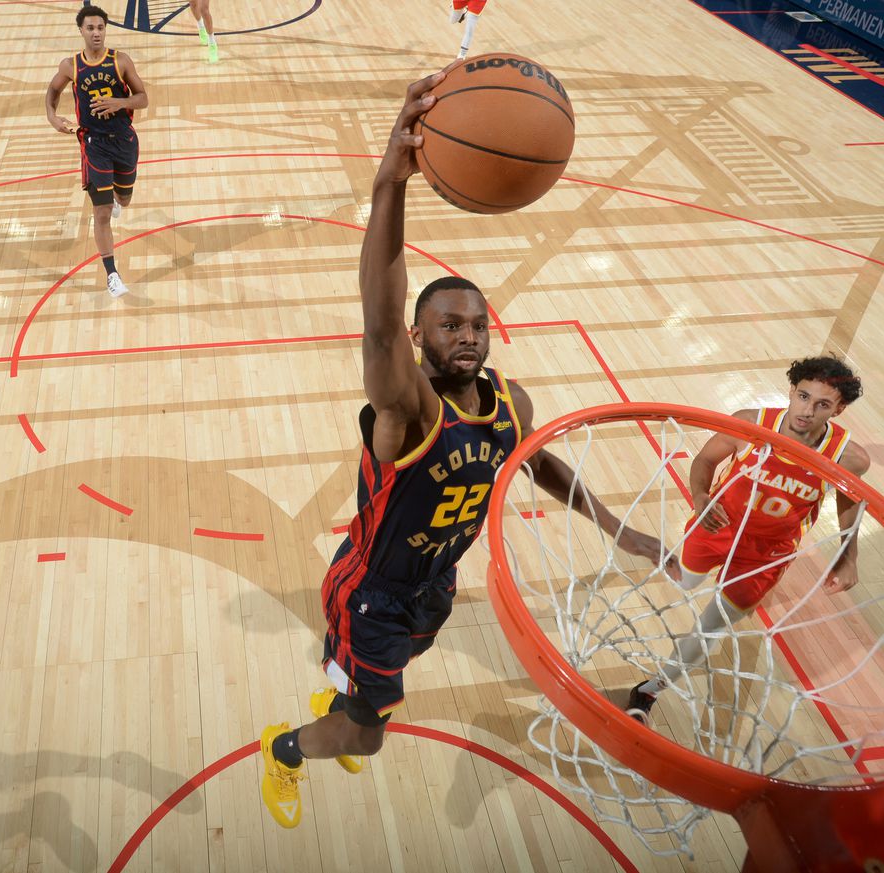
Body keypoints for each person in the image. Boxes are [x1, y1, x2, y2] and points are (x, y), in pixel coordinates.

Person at [257, 65, 677, 830]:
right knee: (367, 731)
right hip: (372, 591)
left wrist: (620, 528)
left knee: (380, 680)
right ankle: (285, 747)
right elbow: (379, 321)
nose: (467, 337)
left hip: (435, 583)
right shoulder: (407, 411)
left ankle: (346, 686)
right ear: (421, 339)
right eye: (449, 325)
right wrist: (392, 182)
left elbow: (538, 461)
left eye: (476, 325)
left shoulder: (509, 400)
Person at [625, 355, 869, 726]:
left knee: (711, 625)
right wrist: (701, 498)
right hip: (717, 527)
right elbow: (704, 462)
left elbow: (849, 502)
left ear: (839, 408)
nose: (807, 410)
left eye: (822, 404)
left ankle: (650, 690)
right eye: (803, 396)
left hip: (767, 554)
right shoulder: (750, 424)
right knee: (685, 581)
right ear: (791, 390)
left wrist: (848, 556)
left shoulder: (848, 457)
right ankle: (684, 571)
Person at [45, 5, 149, 298]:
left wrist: (120, 103)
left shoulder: (121, 61)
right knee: (101, 212)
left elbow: (143, 98)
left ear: (106, 30)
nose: (96, 33)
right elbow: (53, 91)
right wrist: (53, 117)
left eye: (100, 28)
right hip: (94, 144)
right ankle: (112, 274)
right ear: (80, 30)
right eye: (90, 28)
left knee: (124, 200)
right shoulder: (71, 66)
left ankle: (117, 197)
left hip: (124, 141)